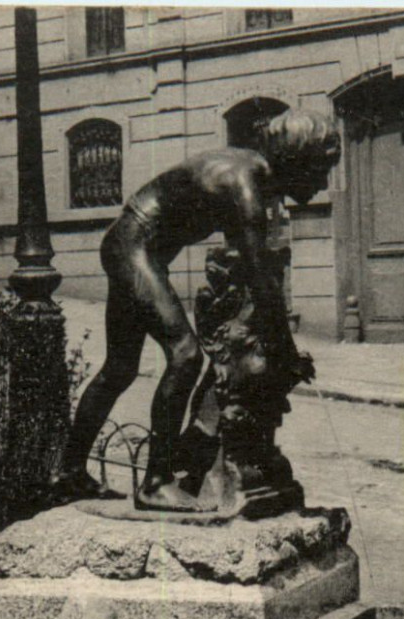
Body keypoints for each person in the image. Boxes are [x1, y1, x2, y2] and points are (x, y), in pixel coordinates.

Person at [55, 110, 341, 510]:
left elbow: (250, 271)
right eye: (321, 169)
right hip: (134, 249)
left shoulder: (247, 172)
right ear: (297, 160)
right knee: (185, 355)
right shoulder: (245, 183)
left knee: (120, 368)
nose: (323, 182)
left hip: (129, 246)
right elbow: (262, 283)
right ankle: (155, 483)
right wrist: (287, 352)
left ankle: (66, 474)